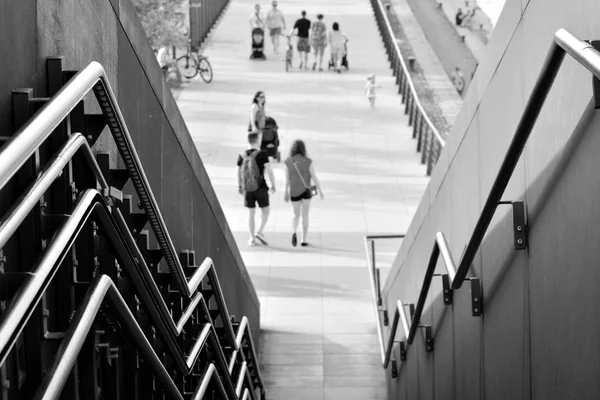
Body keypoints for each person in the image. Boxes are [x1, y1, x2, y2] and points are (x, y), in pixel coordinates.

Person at [238, 132, 276, 246]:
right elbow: (270, 172)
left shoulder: (241, 155)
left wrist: (240, 186)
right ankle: (259, 232)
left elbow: (238, 172)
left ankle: (251, 238)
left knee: (251, 213)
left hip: (247, 189)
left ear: (248, 141)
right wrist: (273, 185)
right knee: (266, 210)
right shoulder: (262, 154)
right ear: (257, 141)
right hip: (261, 187)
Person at [284, 140, 323, 247]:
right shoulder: (308, 161)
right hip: (306, 192)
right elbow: (314, 177)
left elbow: (287, 180)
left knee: (295, 215)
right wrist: (320, 190)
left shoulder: (288, 162)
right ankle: (304, 239)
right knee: (305, 215)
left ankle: (294, 231)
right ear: (303, 149)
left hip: (294, 192)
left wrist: (286, 193)